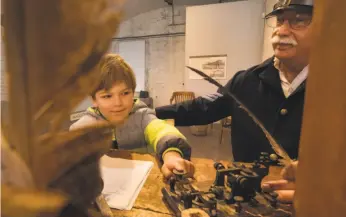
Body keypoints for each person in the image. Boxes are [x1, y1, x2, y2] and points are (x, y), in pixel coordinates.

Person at [155, 0, 314, 162]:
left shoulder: (337, 89)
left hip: (309, 188)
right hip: (246, 185)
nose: (282, 31)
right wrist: (151, 114)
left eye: (298, 21)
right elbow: (204, 108)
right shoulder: (246, 81)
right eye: (280, 21)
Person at [70, 54, 194, 178]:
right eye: (107, 96)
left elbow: (162, 131)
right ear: (94, 100)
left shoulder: (142, 116)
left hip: (146, 184)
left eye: (125, 93)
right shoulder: (88, 124)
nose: (118, 103)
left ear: (133, 92)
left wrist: (172, 156)